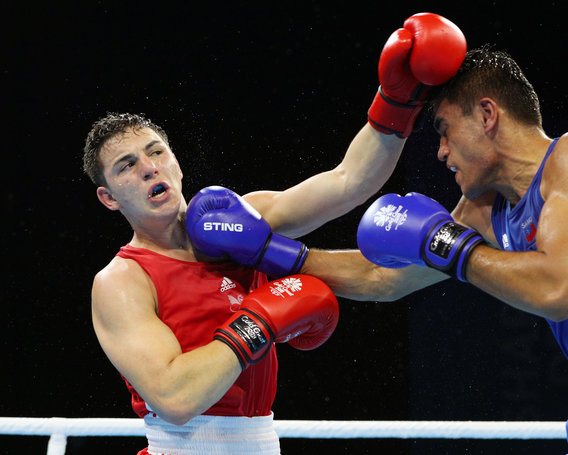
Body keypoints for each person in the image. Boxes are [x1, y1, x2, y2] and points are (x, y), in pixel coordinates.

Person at [83, 13, 466, 454]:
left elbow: (349, 181)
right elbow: (174, 397)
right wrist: (260, 320)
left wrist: (396, 102)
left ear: (175, 161)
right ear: (109, 198)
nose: (148, 167)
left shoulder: (245, 216)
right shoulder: (121, 282)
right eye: (127, 165)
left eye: (156, 152)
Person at [352, 45, 568, 453]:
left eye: (445, 129)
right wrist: (276, 254)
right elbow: (382, 276)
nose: (441, 150)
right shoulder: (485, 210)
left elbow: (556, 290)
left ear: (487, 114)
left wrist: (453, 248)